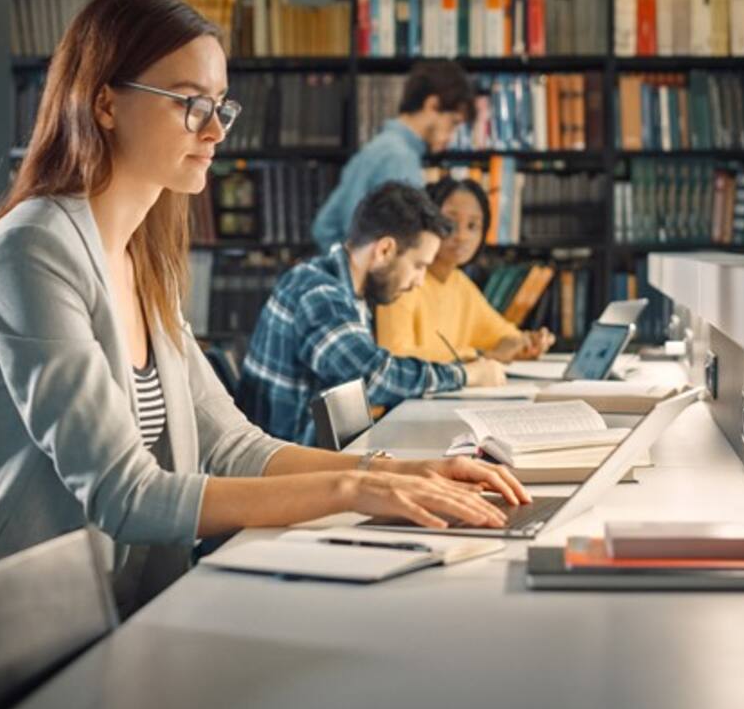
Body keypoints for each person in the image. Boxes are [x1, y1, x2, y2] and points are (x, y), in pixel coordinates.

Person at [0, 0, 528, 618]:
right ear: (106, 103)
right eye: (191, 104)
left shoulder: (144, 260)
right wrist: (355, 488)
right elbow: (123, 494)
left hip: (97, 612)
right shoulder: (31, 252)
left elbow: (235, 447)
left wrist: (399, 472)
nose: (217, 128)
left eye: (222, 105)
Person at [237, 181, 508, 446]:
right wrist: (465, 375)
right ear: (385, 250)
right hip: (291, 471)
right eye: (418, 265)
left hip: (321, 458)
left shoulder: (346, 290)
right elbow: (371, 376)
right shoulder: (318, 293)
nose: (419, 281)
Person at [377, 177, 556, 364]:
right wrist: (477, 356)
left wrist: (526, 343)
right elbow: (395, 356)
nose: (462, 236)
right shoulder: (402, 280)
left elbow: (504, 335)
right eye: (450, 224)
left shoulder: (460, 283)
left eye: (472, 226)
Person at [311, 60, 473, 250]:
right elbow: (404, 246)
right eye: (453, 123)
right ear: (432, 105)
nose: (451, 138)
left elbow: (324, 227)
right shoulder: (400, 158)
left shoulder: (379, 147)